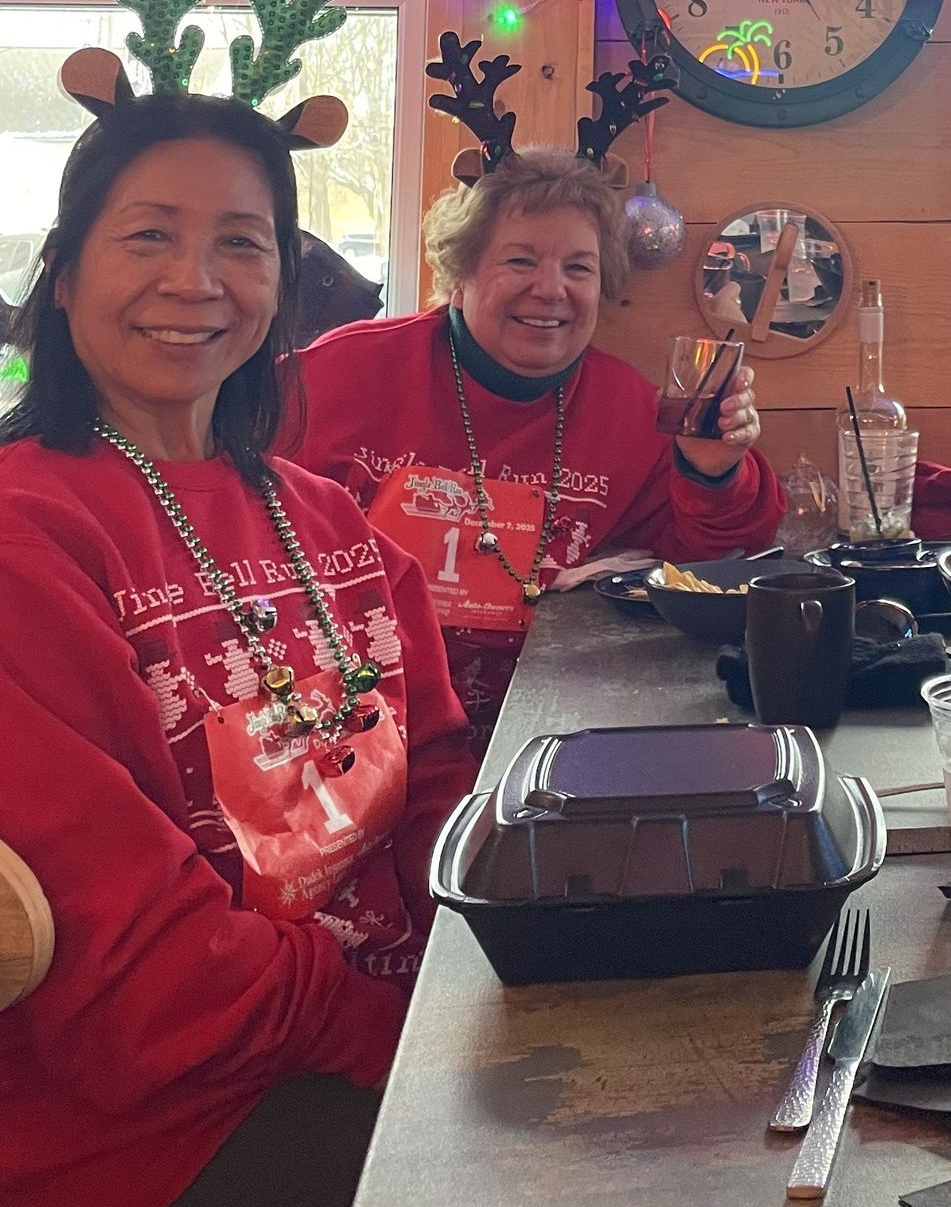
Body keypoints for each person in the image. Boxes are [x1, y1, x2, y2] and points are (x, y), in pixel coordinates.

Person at [0, 0, 473, 1207]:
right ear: (68, 266)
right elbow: (135, 970)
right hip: (155, 1142)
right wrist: (404, 1039)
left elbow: (438, 773)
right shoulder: (27, 531)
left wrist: (494, 968)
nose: (195, 283)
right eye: (149, 235)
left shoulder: (324, 515)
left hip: (372, 1043)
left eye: (243, 243)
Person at [293, 37, 783, 740]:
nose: (550, 289)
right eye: (518, 260)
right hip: (346, 729)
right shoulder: (337, 375)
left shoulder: (631, 412)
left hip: (542, 734)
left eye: (578, 268)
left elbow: (710, 567)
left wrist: (713, 469)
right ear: (459, 274)